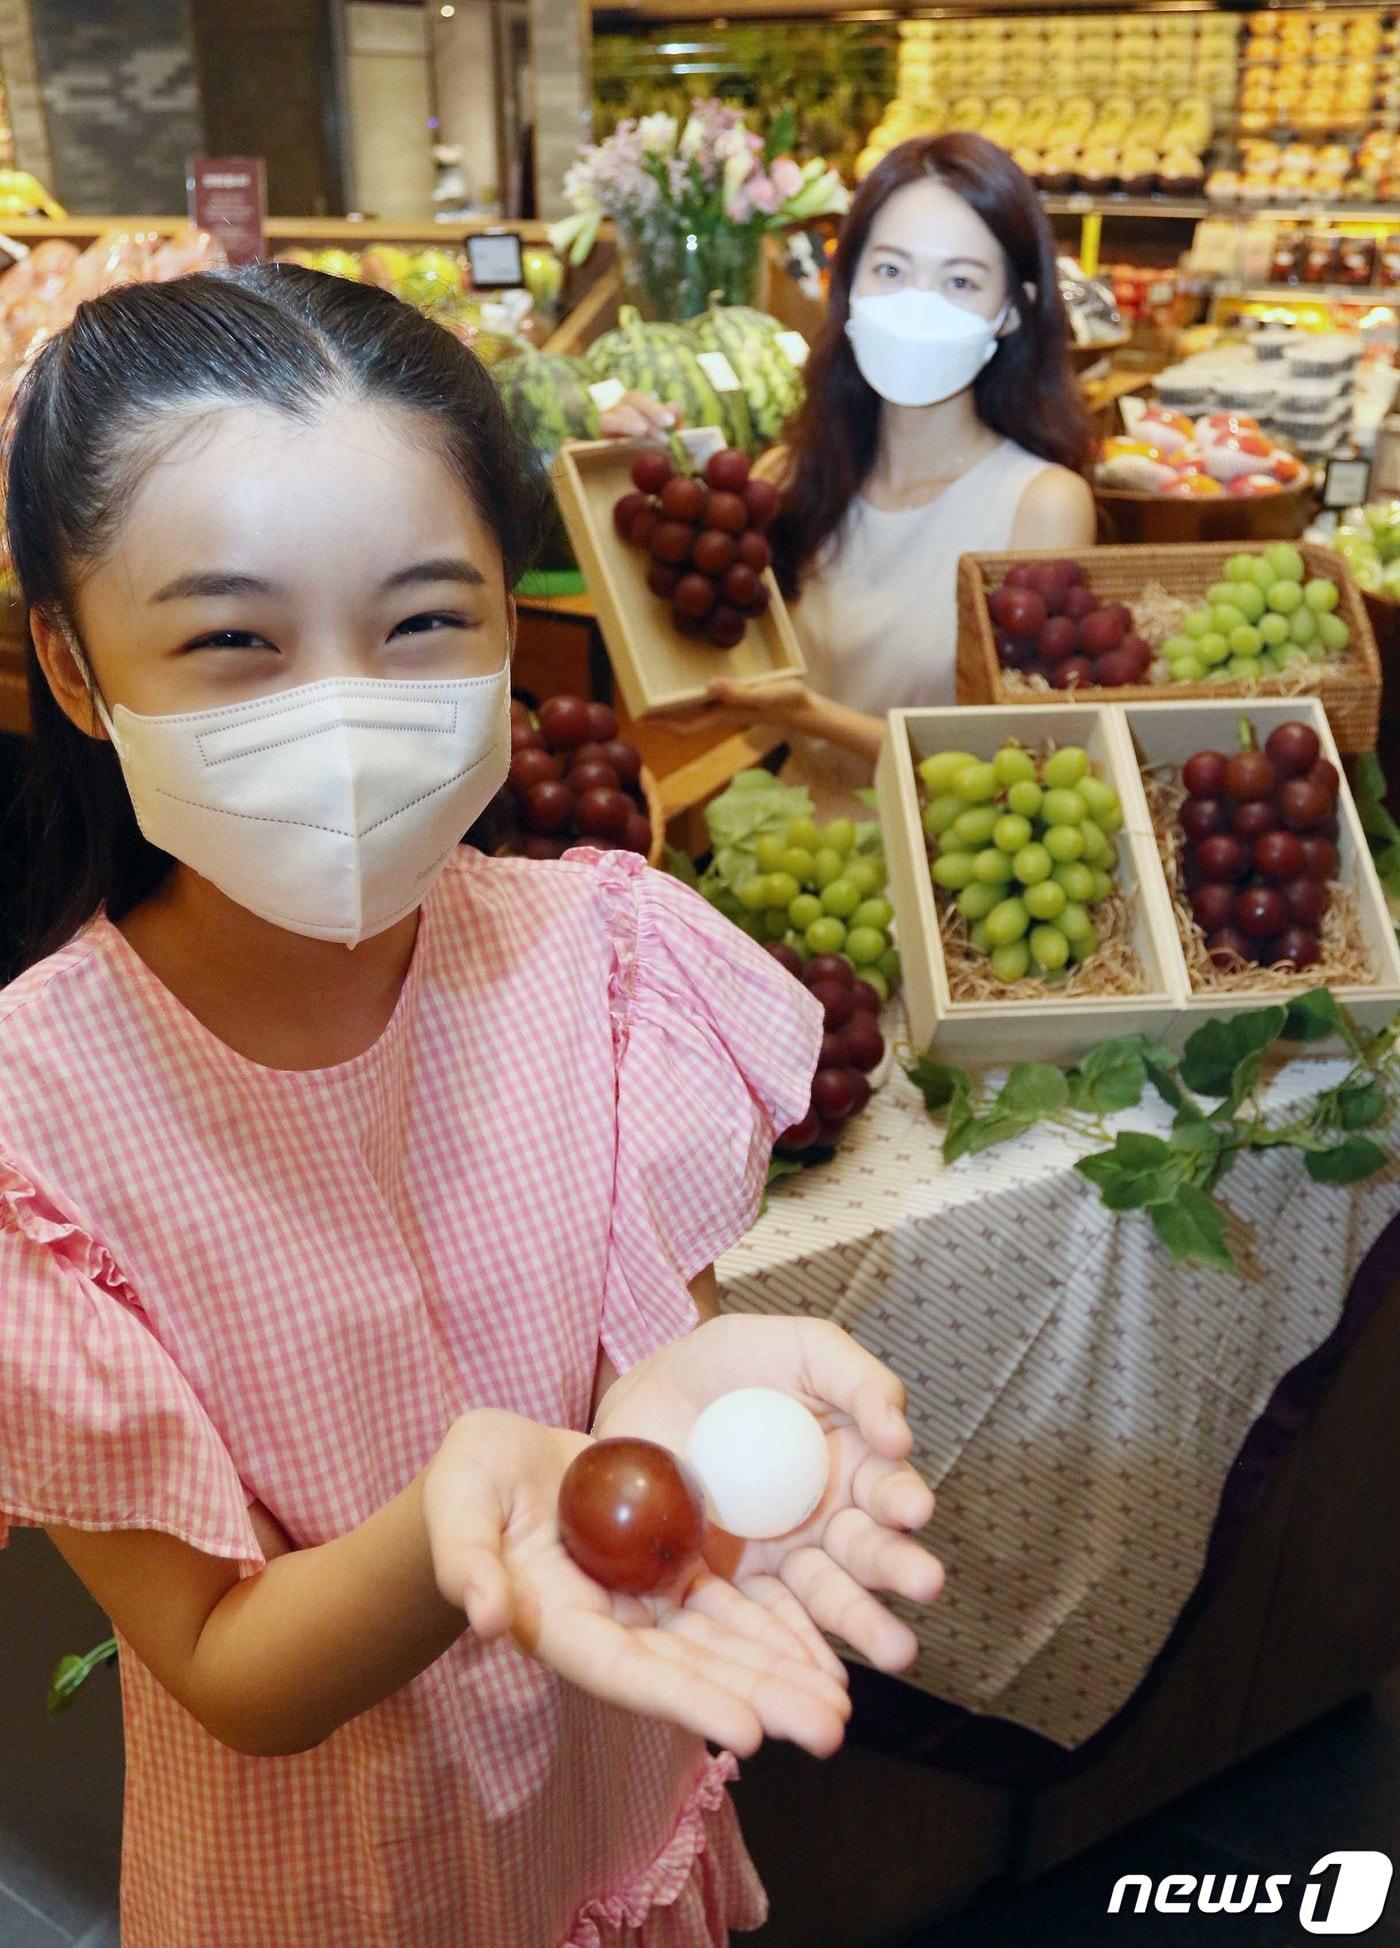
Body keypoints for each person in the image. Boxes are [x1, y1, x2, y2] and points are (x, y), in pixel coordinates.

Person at [0, 265, 944, 1947]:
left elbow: (637, 1392)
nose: (345, 711)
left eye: (425, 618)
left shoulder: (607, 959)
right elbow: (228, 1666)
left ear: (516, 622)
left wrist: (678, 1405)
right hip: (320, 1886)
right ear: (74, 665)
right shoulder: (36, 1137)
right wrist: (452, 1518)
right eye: (233, 639)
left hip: (601, 1810)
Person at [700, 133, 1097, 809]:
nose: (918, 305)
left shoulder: (1042, 506)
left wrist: (811, 717)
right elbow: (715, 691)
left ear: (1011, 311)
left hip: (949, 874)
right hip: (789, 866)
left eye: (960, 281)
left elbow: (1031, 767)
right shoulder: (790, 475)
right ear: (846, 282)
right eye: (890, 270)